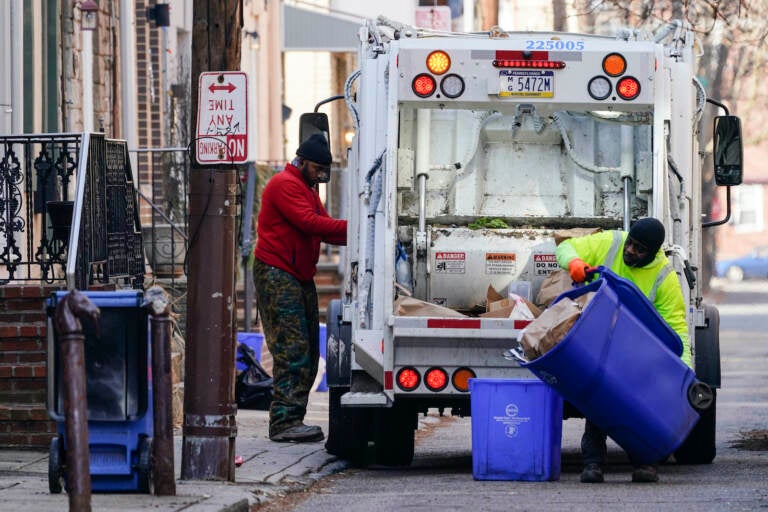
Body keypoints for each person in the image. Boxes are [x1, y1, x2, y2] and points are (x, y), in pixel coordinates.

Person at [555, 217, 691, 484]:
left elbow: (677, 329)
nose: (630, 251)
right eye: (631, 243)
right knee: (599, 400)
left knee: (638, 405)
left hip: (637, 349)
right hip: (601, 339)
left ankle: (645, 464)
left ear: (653, 254)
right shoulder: (613, 241)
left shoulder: (665, 278)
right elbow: (566, 247)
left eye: (640, 250)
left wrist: (682, 371)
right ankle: (593, 463)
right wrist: (574, 263)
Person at [253, 133, 347, 443]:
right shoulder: (285, 185)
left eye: (325, 170)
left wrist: (357, 231)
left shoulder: (305, 188)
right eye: (317, 169)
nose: (321, 175)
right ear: (302, 161)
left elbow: (324, 226)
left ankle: (293, 418)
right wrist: (356, 227)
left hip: (296, 274)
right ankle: (283, 422)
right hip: (278, 272)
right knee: (291, 348)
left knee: (307, 349)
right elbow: (311, 224)